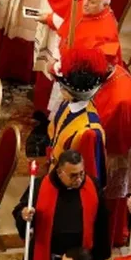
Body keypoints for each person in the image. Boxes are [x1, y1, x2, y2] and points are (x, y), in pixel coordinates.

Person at [90, 46, 131, 248]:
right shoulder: (114, 72)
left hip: (117, 151)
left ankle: (111, 234)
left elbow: (109, 128)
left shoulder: (121, 98)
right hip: (113, 145)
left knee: (112, 195)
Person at [35, 0, 122, 115]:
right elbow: (68, 25)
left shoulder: (107, 33)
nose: (85, 4)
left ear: (105, 6)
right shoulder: (80, 6)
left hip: (77, 80)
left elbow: (94, 69)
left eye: (92, 2)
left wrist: (59, 67)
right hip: (63, 63)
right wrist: (50, 19)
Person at [47, 48, 109, 188]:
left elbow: (88, 176)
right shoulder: (67, 104)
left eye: (62, 86)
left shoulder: (89, 133)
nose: (59, 88)